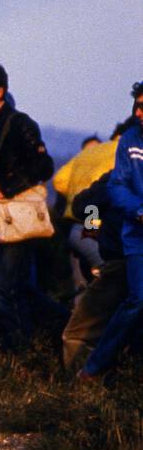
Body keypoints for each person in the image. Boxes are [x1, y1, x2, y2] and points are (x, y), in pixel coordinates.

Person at [0, 63, 66, 352]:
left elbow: (44, 165)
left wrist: (6, 189)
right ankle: (60, 330)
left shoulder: (19, 123)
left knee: (6, 287)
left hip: (16, 215)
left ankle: (22, 352)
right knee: (15, 287)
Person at [79, 85, 143, 378]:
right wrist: (93, 228)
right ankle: (94, 369)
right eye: (136, 108)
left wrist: (91, 227)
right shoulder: (125, 147)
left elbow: (74, 194)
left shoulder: (93, 154)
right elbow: (96, 198)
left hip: (85, 231)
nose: (139, 113)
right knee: (131, 299)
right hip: (116, 240)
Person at [62, 172, 129, 370]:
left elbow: (84, 205)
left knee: (78, 333)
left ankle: (82, 386)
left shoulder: (121, 171)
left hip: (120, 261)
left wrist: (93, 223)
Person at [52, 128, 119, 290]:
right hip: (97, 210)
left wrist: (74, 192)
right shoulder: (120, 152)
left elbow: (59, 180)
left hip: (83, 209)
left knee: (86, 236)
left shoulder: (87, 155)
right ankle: (103, 271)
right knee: (91, 238)